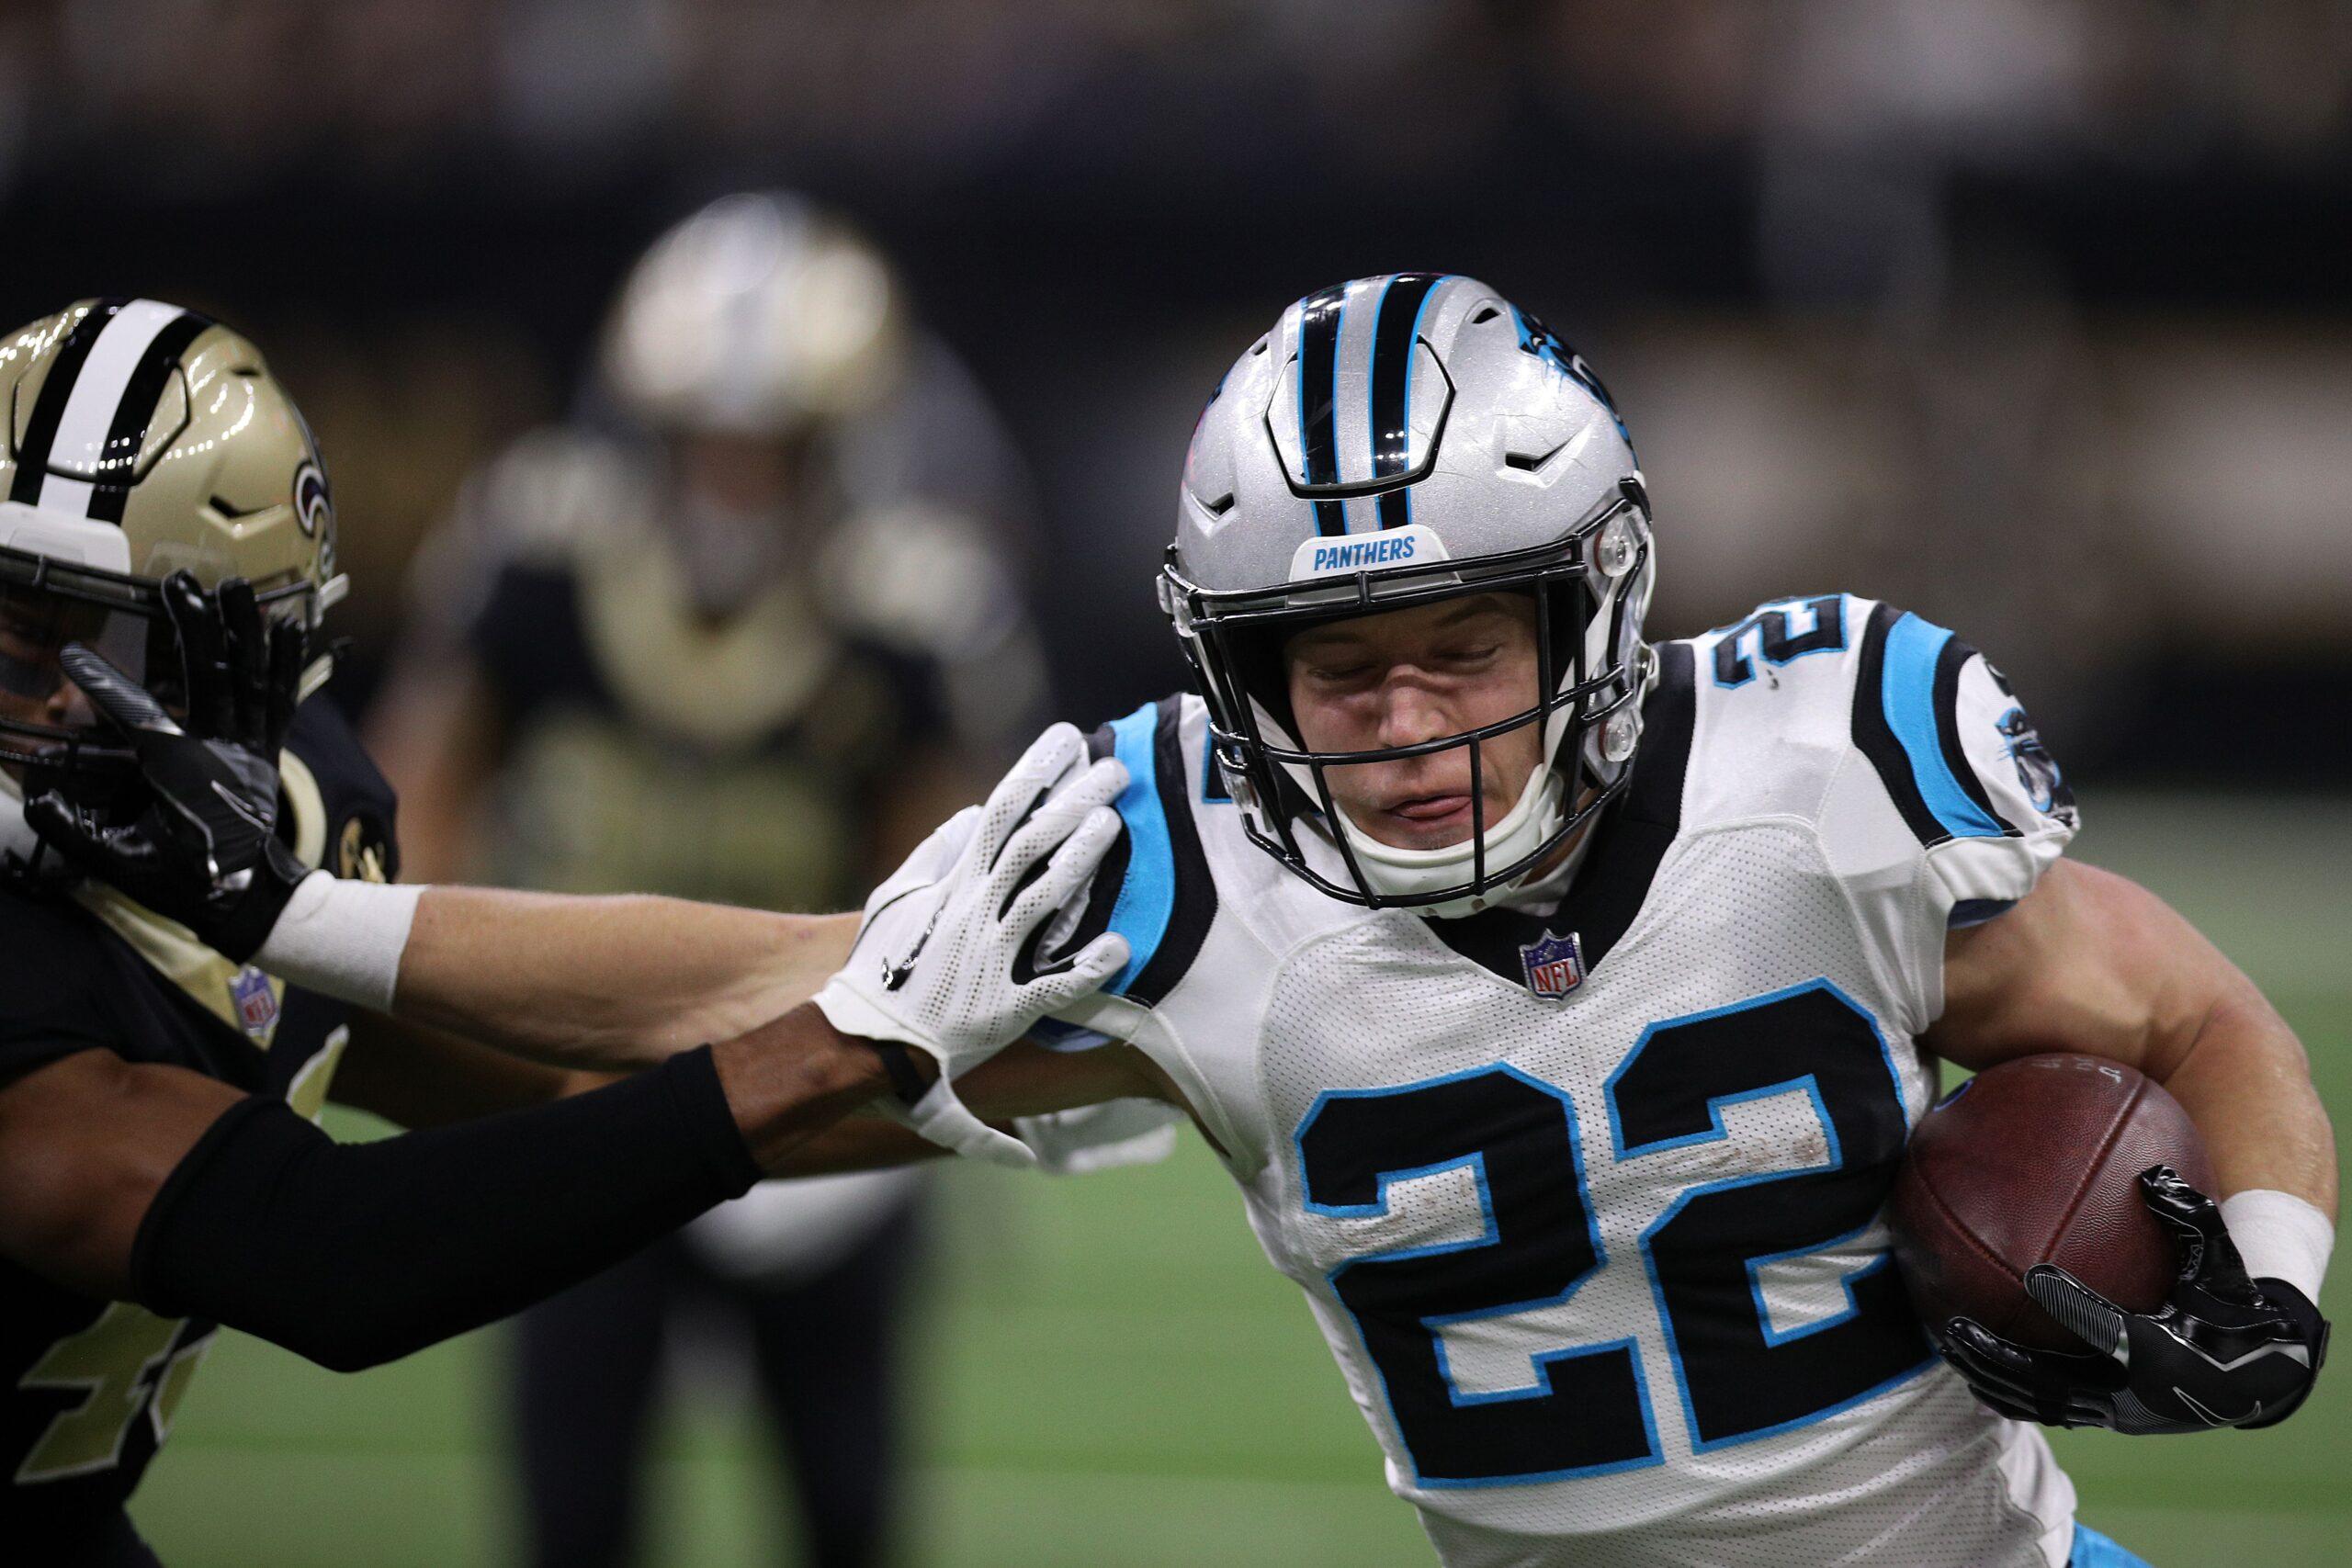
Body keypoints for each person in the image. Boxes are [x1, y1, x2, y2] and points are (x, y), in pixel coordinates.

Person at [62, 276, 2339, 1568]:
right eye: (1335, 671)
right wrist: (296, 917)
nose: (1407, 721)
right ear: (1234, 675)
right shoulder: (1177, 863)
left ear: (1595, 605)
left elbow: (2185, 1009)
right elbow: (750, 992)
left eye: (1460, 644)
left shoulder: (1818, 764)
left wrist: (2268, 1273)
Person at [0, 298, 1129, 1567]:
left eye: (76, 638)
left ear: (242, 650)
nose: (34, 695)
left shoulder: (284, 816)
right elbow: (327, 1250)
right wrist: (845, 1048)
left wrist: (1035, 1076)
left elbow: (557, 1079)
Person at [367, 190, 1054, 1568]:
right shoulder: (539, 547)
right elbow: (414, 800)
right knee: (573, 1504)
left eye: (774, 443)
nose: (736, 476)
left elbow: (951, 884)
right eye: (708, 437)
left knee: (845, 1501)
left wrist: (871, 1065)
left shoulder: (913, 602)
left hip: (817, 1087)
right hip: (576, 1085)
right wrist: (462, 1028)